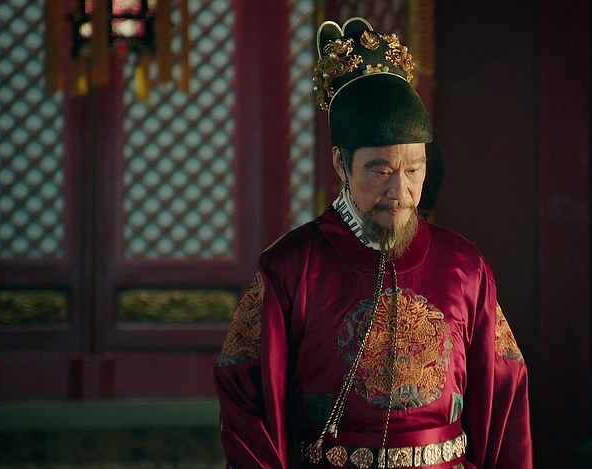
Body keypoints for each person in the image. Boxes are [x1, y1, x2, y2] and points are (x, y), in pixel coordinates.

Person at [214, 17, 532, 469]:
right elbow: (246, 403)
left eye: (414, 169)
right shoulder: (291, 268)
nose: (400, 191)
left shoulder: (465, 268)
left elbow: (505, 395)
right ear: (341, 165)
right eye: (380, 171)